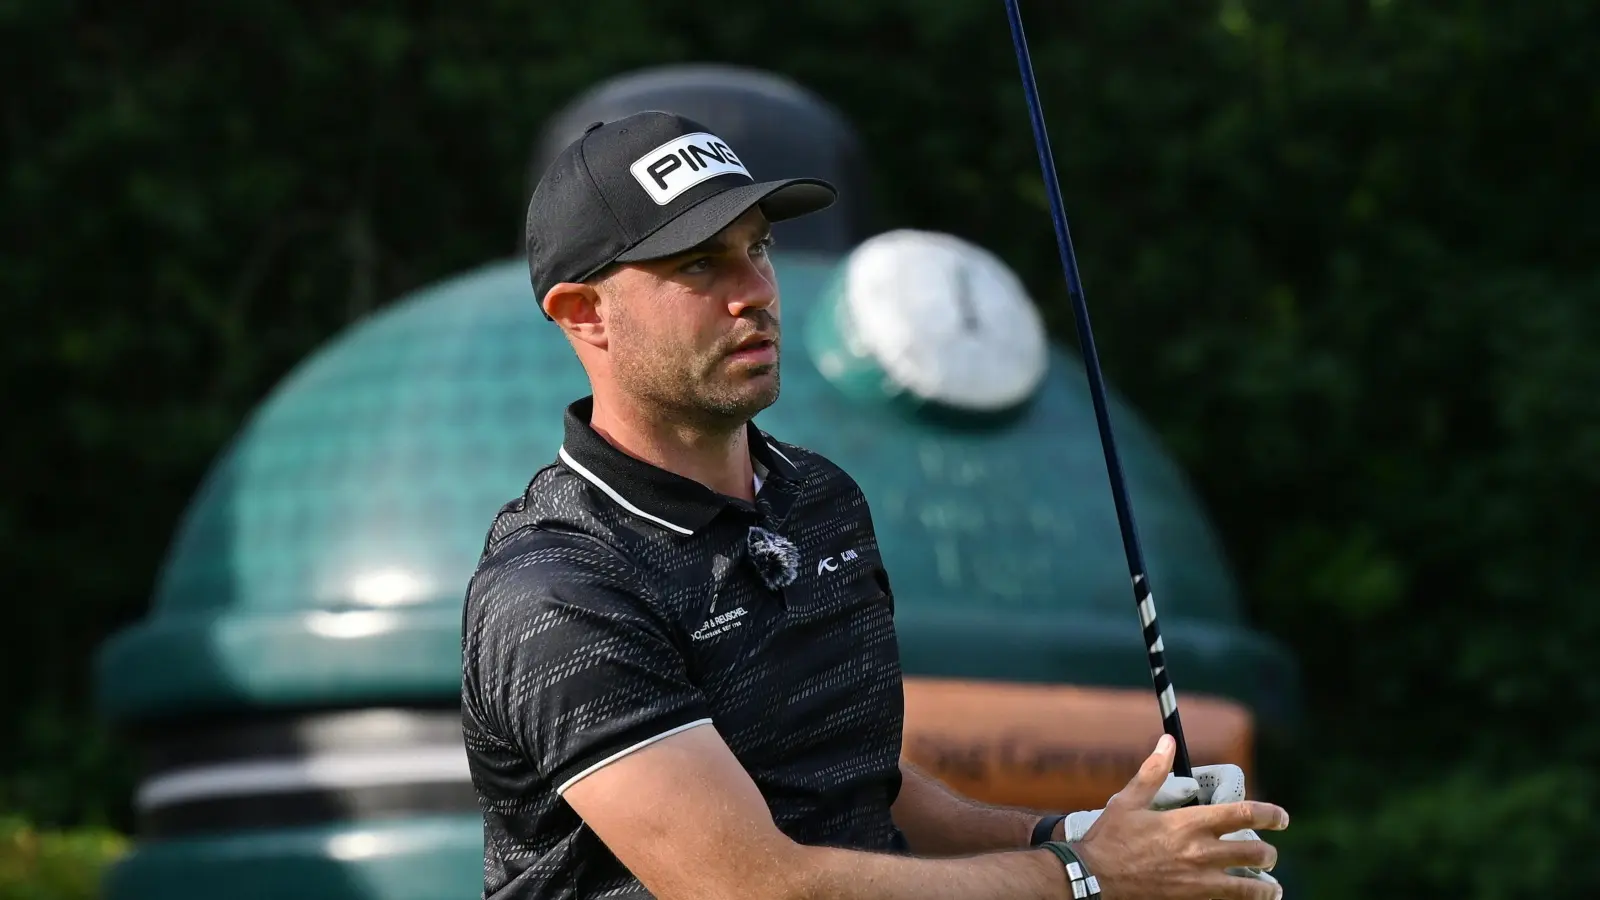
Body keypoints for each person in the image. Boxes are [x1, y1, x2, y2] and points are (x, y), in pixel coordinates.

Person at [459, 110, 1289, 900]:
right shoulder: (556, 590)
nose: (755, 292)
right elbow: (750, 886)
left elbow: (865, 791)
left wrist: (1082, 834)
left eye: (760, 249)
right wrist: (1089, 876)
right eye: (698, 266)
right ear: (583, 313)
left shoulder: (817, 499)